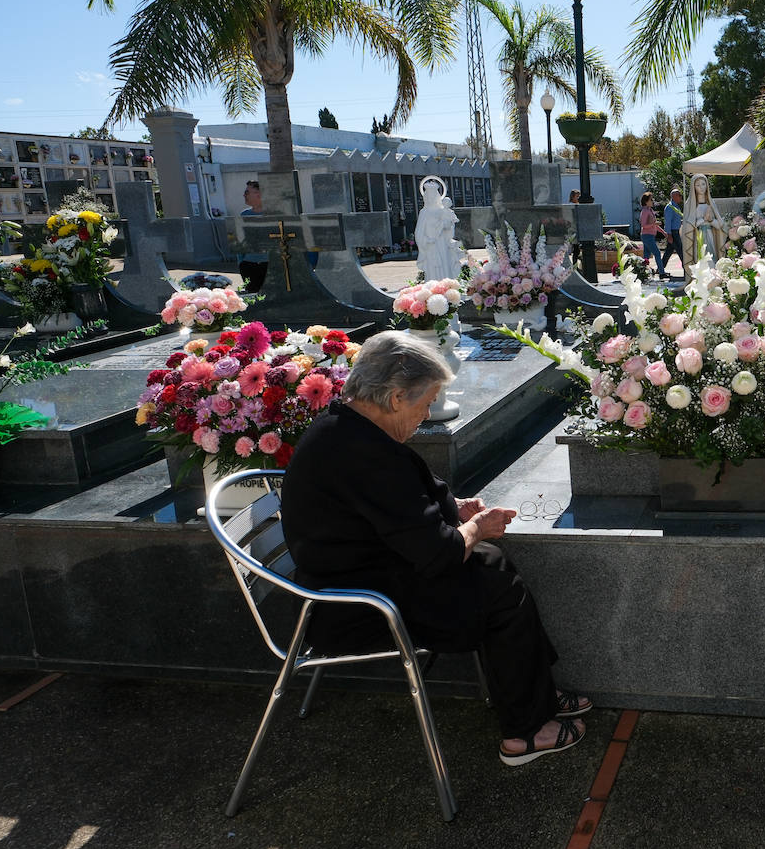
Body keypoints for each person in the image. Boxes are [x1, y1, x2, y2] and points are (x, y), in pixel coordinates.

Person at [281, 331, 590, 766]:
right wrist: (478, 527)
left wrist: (457, 508)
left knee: (494, 565)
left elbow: (402, 508)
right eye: (425, 403)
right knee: (498, 588)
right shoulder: (363, 454)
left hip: (362, 573)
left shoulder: (346, 427)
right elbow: (438, 553)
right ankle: (525, 732)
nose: (427, 414)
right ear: (394, 398)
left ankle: (533, 692)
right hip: (357, 606)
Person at [414, 176, 464, 282]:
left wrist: (448, 225)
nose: (431, 198)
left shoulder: (442, 210)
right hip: (431, 245)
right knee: (433, 269)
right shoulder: (424, 212)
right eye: (429, 196)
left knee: (445, 266)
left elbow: (450, 225)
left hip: (442, 244)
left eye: (433, 195)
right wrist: (427, 240)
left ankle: (447, 287)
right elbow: (419, 232)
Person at [679, 174, 724, 282]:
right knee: (700, 261)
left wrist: (711, 221)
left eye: (703, 184)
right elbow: (688, 226)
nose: (701, 187)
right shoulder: (690, 204)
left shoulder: (711, 202)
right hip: (697, 238)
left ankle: (714, 282)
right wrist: (703, 220)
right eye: (698, 185)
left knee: (712, 259)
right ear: (693, 187)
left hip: (710, 237)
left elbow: (720, 225)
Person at [238, 180, 268, 292]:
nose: (244, 195)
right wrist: (241, 261)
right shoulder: (244, 215)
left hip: (269, 264)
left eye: (247, 192)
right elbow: (240, 240)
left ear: (258, 194)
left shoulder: (274, 213)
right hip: (248, 264)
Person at [638, 192, 665, 274]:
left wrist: (663, 232)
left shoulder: (650, 210)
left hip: (649, 236)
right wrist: (654, 224)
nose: (652, 201)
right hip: (647, 236)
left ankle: (642, 272)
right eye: (651, 199)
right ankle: (661, 273)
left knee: (646, 256)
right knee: (657, 253)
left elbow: (654, 225)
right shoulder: (645, 211)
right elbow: (643, 225)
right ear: (646, 201)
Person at [660, 188, 685, 278]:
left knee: (668, 252)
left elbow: (676, 219)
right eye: (679, 195)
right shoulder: (670, 207)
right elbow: (668, 222)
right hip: (673, 233)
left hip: (675, 232)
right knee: (680, 250)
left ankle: (661, 269)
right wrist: (669, 235)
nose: (681, 197)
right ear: (674, 196)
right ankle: (686, 269)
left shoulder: (676, 206)